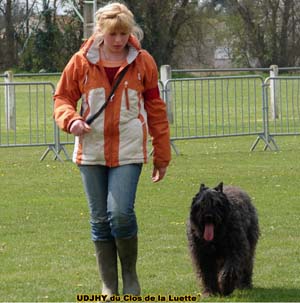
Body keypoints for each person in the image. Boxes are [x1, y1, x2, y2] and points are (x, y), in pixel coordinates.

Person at [53, 2, 171, 297]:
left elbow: (156, 109)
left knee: (119, 213)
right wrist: (72, 120)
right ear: (101, 31)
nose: (118, 40)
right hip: (91, 152)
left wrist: (162, 154)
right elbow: (62, 98)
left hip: (129, 151)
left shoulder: (144, 62)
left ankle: (130, 275)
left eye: (123, 33)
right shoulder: (80, 61)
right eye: (113, 33)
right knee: (99, 219)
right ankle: (108, 284)